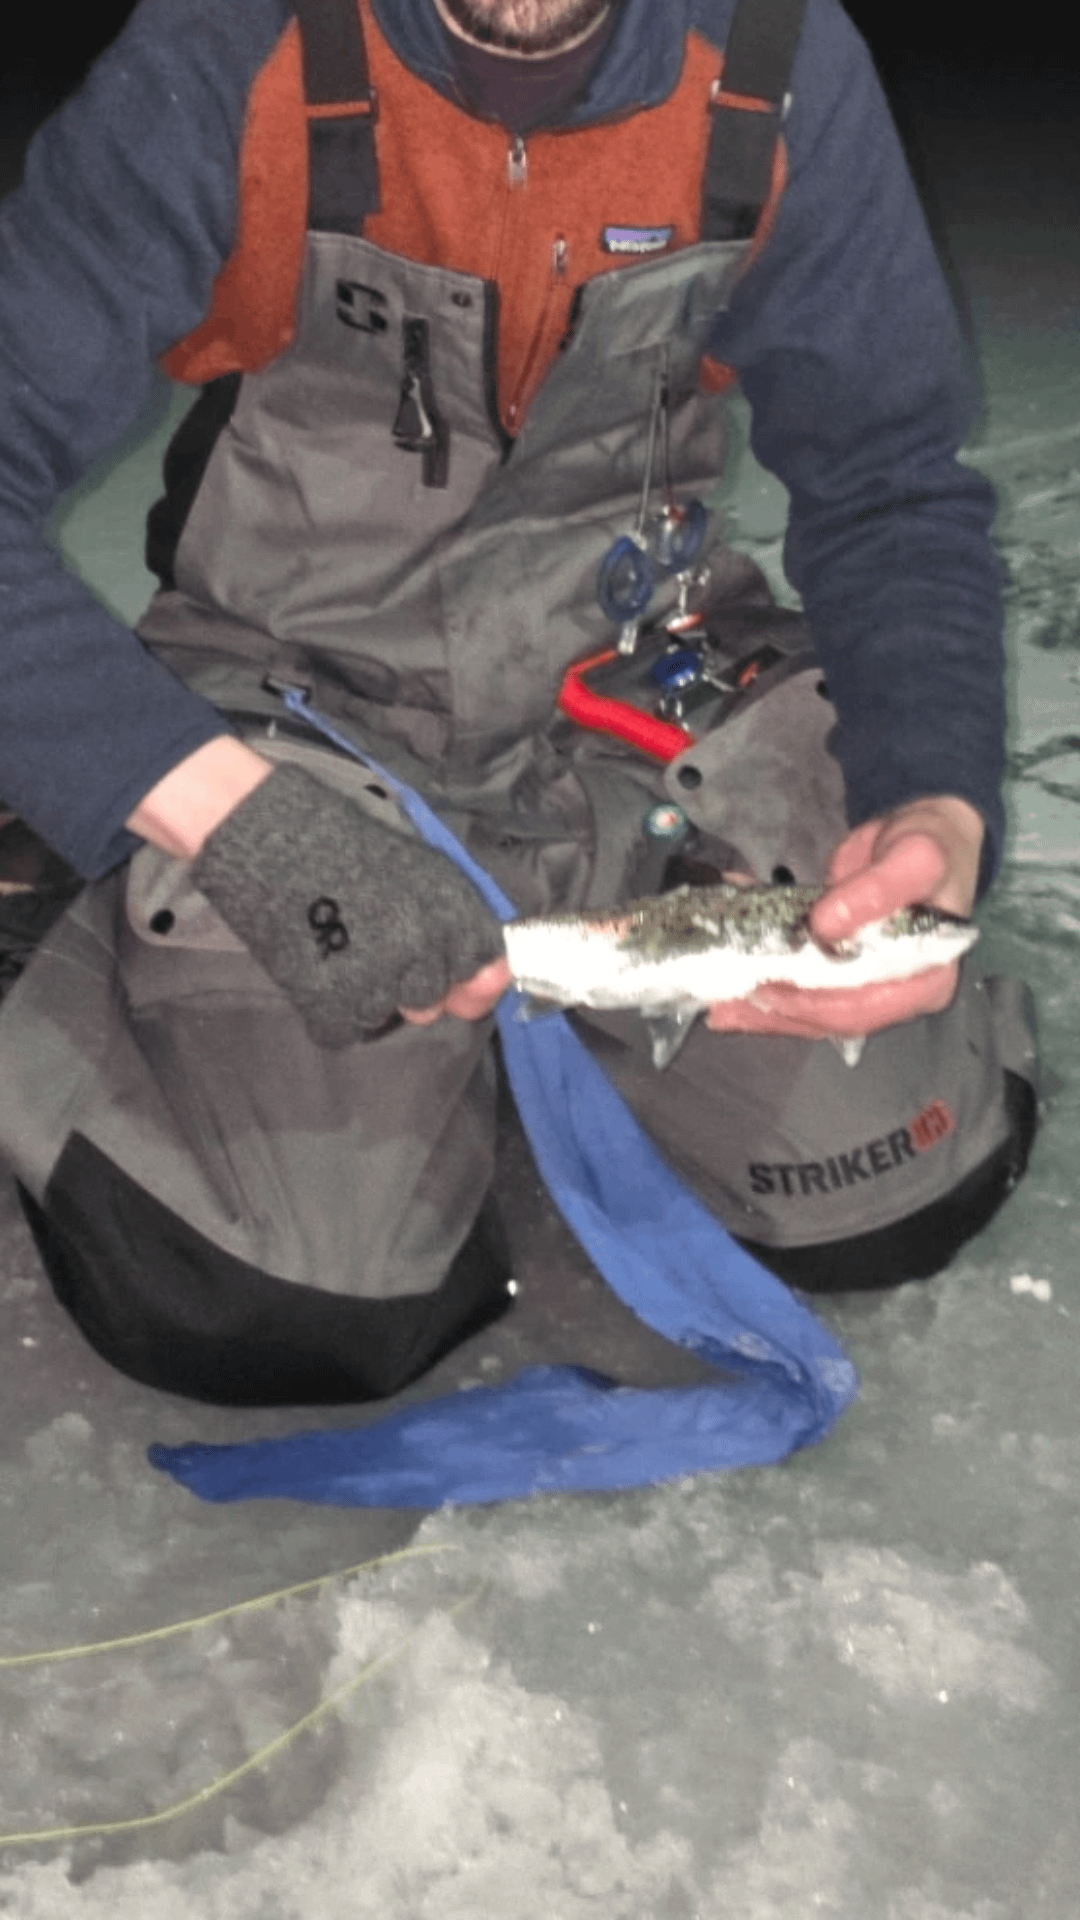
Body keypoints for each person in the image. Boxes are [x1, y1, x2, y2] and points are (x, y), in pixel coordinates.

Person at [0, 0, 1038, 1407]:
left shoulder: (776, 61)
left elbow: (891, 485)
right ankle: (75, 917)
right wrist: (230, 820)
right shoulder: (233, 49)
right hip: (301, 701)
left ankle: (506, 1049)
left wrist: (936, 798)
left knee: (898, 1184)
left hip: (635, 696)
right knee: (271, 1297)